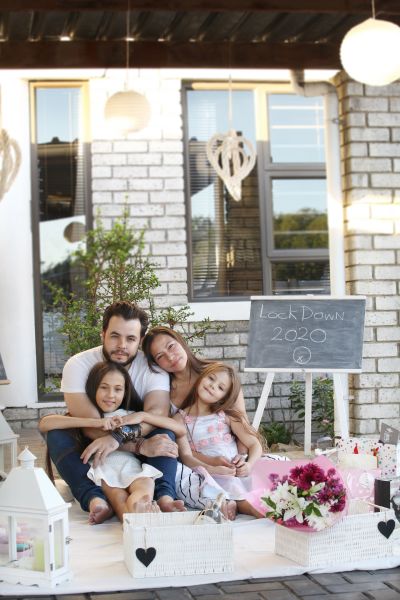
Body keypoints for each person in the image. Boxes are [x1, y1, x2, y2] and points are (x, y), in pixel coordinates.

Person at [45, 301, 185, 525]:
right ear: (102, 334)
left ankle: (162, 496)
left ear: (140, 340)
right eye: (114, 336)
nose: (122, 345)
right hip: (91, 446)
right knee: (57, 435)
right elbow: (92, 425)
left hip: (134, 442)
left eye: (130, 339)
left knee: (163, 433)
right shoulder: (78, 364)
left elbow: (156, 413)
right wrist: (137, 446)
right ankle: (95, 498)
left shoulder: (152, 368)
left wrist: (120, 438)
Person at [40, 362, 186, 522]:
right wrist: (95, 423)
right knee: (118, 497)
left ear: (125, 392)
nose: (111, 395)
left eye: (118, 389)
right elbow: (45, 423)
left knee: (146, 485)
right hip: (102, 468)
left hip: (131, 466)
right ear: (93, 388)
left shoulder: (129, 416)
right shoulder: (87, 417)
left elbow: (179, 429)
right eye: (104, 387)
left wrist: (143, 416)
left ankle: (142, 508)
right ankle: (132, 522)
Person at [172, 362, 265, 518]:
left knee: (254, 481)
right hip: (206, 470)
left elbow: (254, 444)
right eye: (211, 378)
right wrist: (212, 468)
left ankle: (250, 507)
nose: (213, 386)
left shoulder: (225, 415)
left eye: (221, 388)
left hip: (235, 470)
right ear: (202, 377)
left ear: (224, 397)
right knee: (200, 484)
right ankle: (232, 504)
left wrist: (248, 464)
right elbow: (185, 457)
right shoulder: (179, 419)